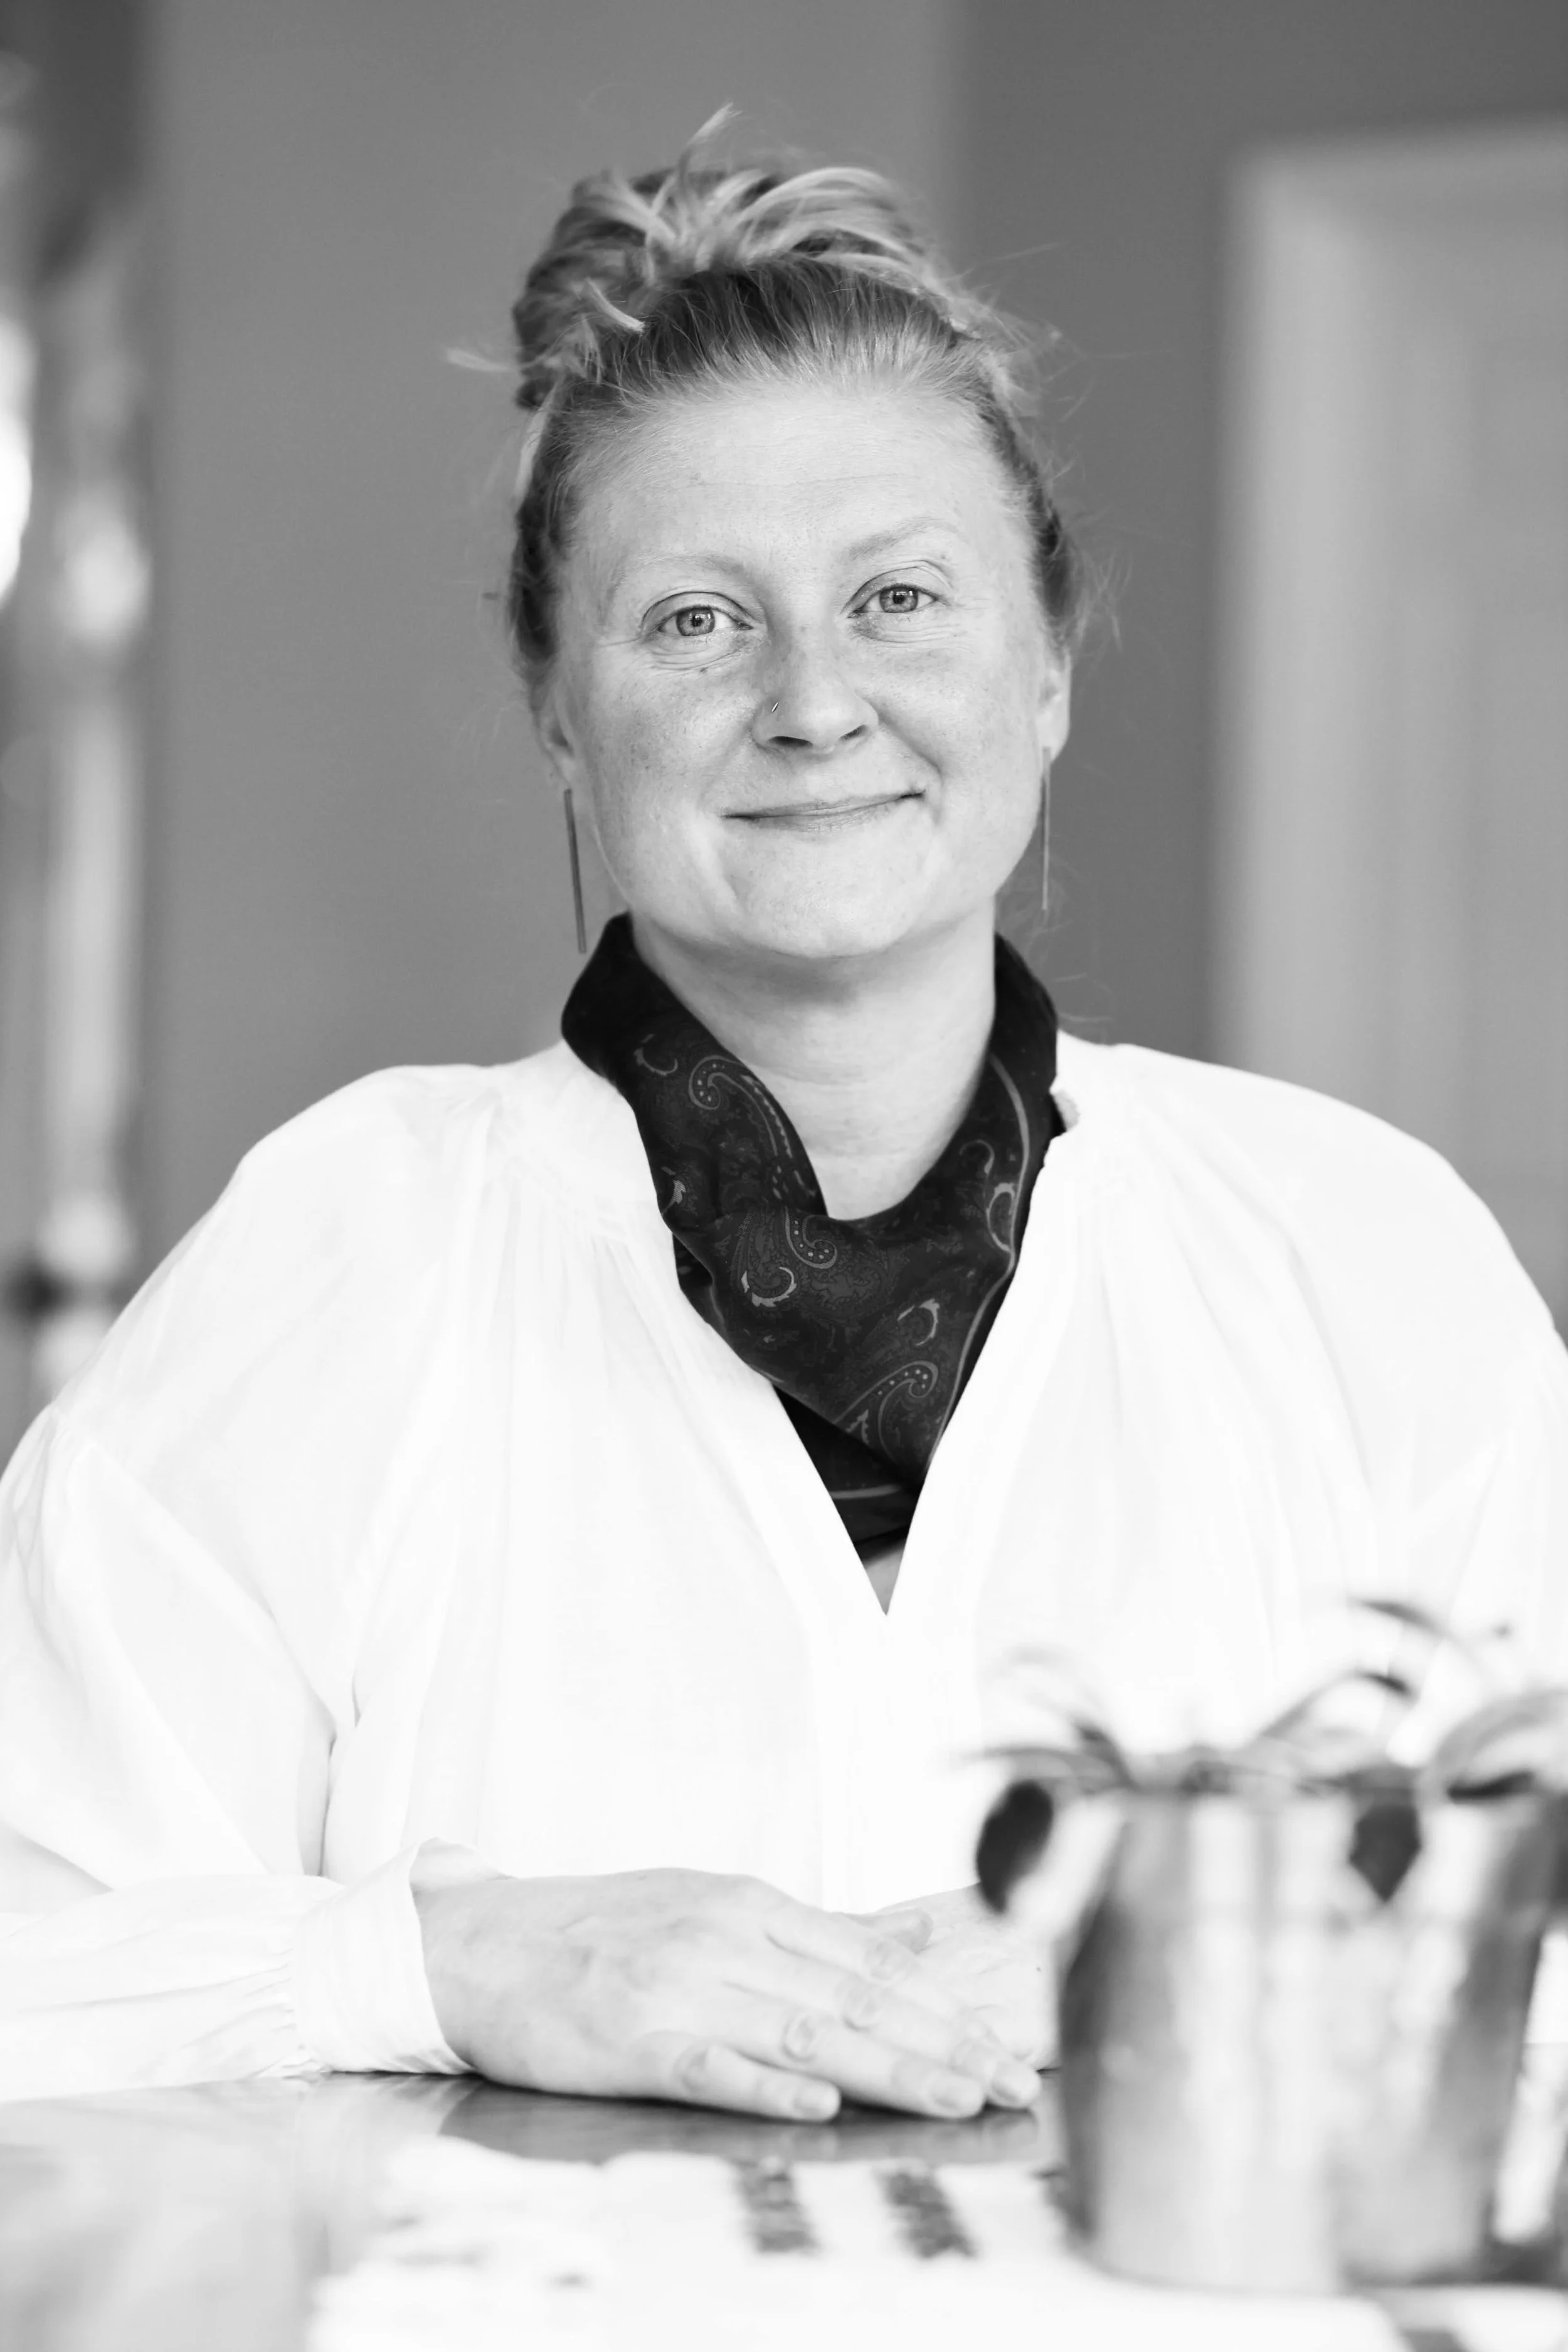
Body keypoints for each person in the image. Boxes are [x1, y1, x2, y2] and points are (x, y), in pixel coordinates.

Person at [2, 127, 1565, 2121]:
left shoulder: (1361, 1259)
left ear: (1051, 665)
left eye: (899, 596)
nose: (815, 702)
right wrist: (444, 1955)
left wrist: (1195, 1939)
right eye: (695, 621)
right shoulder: (342, 1256)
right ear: (559, 710)